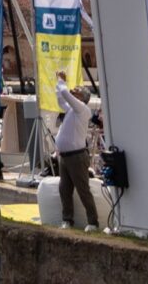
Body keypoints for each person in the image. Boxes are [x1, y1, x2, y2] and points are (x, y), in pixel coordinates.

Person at [53, 72, 99, 230]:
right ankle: (67, 219)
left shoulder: (82, 109)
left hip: (77, 156)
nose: (73, 90)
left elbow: (65, 93)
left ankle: (93, 222)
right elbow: (61, 98)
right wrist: (58, 84)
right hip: (65, 157)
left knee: (83, 190)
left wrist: (61, 80)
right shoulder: (72, 109)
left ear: (82, 97)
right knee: (64, 189)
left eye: (77, 90)